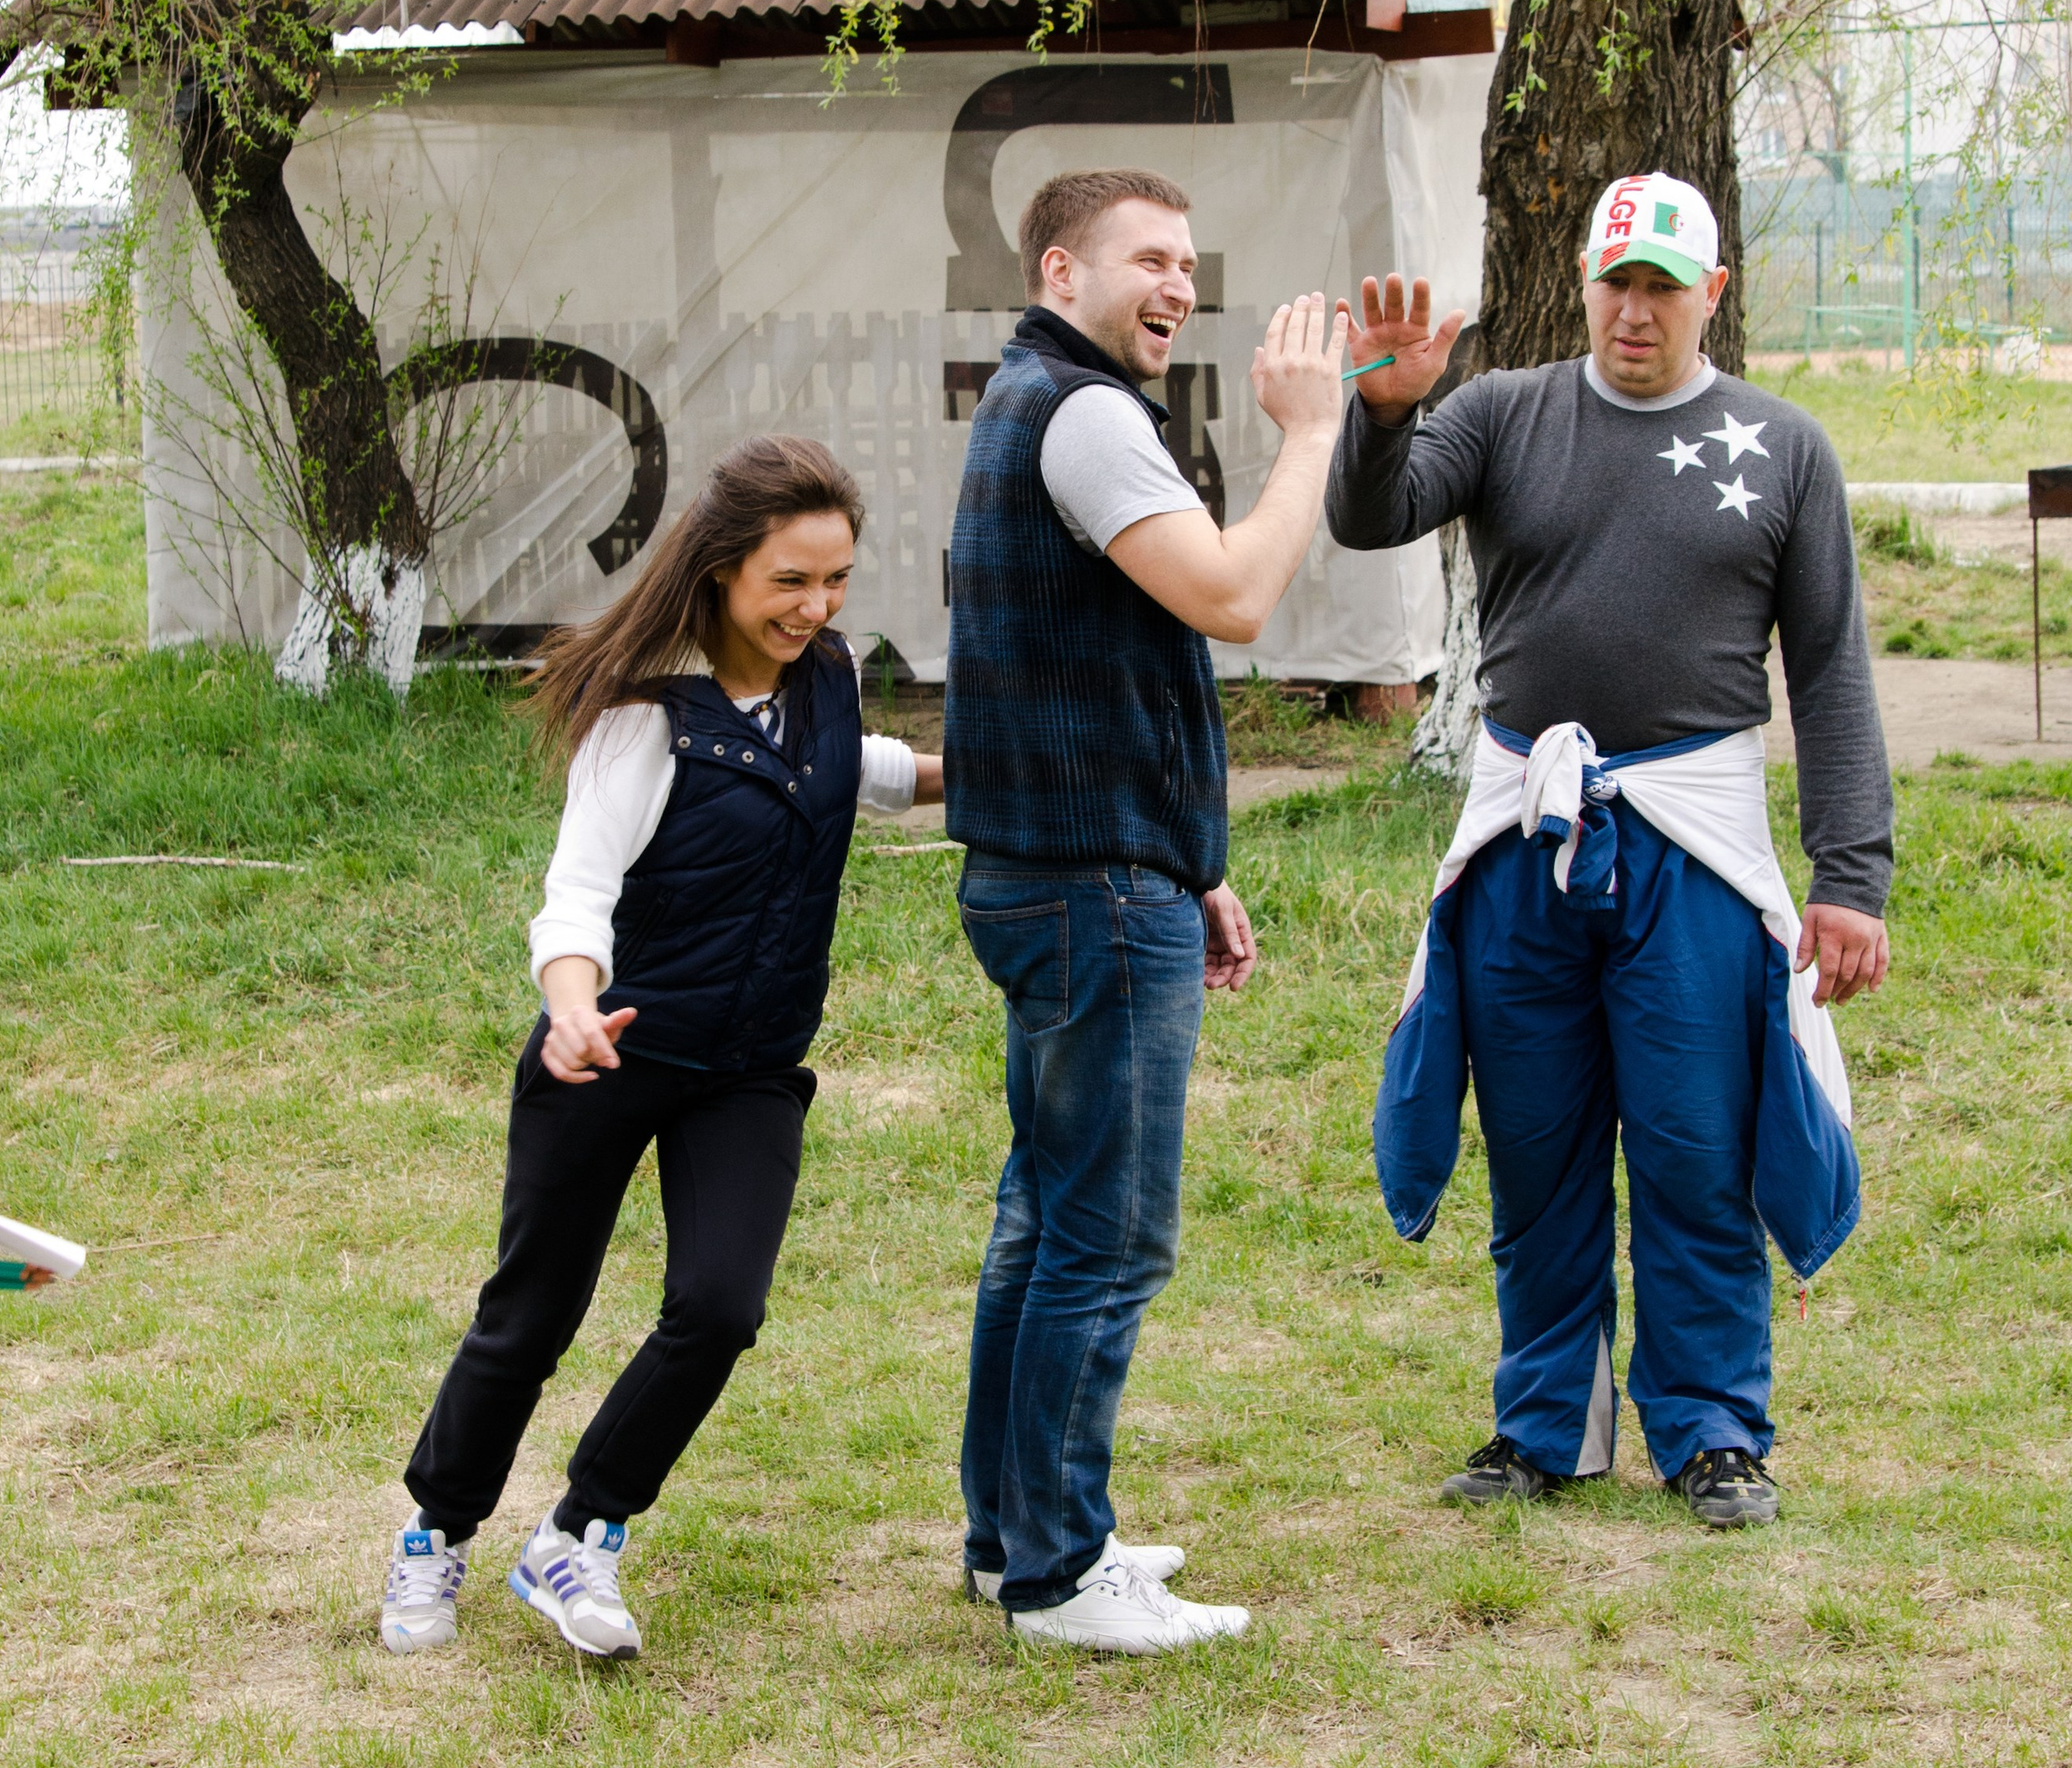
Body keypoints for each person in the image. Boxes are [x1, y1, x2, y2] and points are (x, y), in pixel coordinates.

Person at [1326, 171, 1892, 1529]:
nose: (1634, 311)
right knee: (1537, 1145)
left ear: (1715, 292)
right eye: (1614, 280)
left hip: (1692, 847)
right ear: (1583, 278)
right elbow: (1372, 515)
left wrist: (1850, 877)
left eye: (1663, 286)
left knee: (1696, 1147)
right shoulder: (1508, 412)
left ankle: (1711, 1430)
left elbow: (1829, 670)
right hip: (1530, 834)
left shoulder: (1782, 445)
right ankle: (1545, 1425)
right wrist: (1387, 407)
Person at [380, 436, 941, 1659]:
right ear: (724, 569)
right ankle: (435, 1531)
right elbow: (575, 890)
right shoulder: (646, 717)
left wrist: (991, 778)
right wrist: (572, 1003)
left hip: (749, 1067)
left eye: (837, 579)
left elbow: (858, 770)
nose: (818, 606)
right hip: (617, 1047)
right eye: (791, 581)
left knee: (721, 1305)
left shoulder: (830, 680)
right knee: (532, 1313)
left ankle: (579, 1532)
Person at [945, 166, 1349, 1652]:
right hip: (1090, 892)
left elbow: (1093, 674)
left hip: (1077, 865)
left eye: (1190, 261)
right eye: (1147, 260)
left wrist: (1196, 857)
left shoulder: (1034, 399)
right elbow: (1234, 596)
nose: (1178, 285)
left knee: (1042, 1220)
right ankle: (1060, 1567)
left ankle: (1010, 1536)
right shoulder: (1090, 413)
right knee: (1103, 1235)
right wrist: (1312, 433)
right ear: (1062, 267)